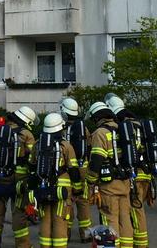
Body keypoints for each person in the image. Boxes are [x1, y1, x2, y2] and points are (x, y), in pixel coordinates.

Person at [0, 105, 36, 248]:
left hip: (0, 178)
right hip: (20, 179)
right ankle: (23, 245)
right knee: (19, 212)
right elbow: (33, 158)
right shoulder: (26, 134)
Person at [106, 95, 151, 248]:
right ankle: (140, 243)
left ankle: (137, 243)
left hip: (133, 175)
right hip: (145, 173)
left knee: (133, 210)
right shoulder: (139, 123)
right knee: (138, 209)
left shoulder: (122, 125)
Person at [85, 102, 132, 248]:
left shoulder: (100, 133)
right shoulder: (121, 129)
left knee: (109, 220)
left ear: (96, 118)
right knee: (125, 220)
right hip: (124, 183)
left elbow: (96, 161)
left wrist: (90, 180)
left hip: (109, 186)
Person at [33, 112, 79, 248]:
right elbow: (73, 170)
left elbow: (32, 166)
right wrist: (77, 188)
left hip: (42, 187)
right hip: (61, 190)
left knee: (45, 220)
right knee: (59, 220)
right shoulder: (66, 145)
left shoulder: (37, 144)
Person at [60, 97, 92, 242]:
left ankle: (64, 233)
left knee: (68, 201)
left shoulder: (60, 128)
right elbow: (90, 147)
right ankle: (85, 234)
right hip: (83, 169)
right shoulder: (83, 128)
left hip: (67, 170)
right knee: (83, 202)